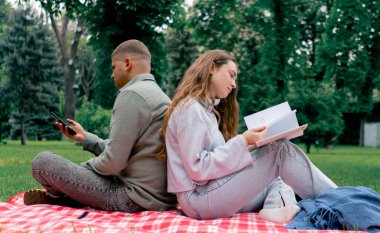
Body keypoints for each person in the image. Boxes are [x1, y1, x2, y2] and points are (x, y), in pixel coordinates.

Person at [158, 49, 337, 222]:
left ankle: (275, 209)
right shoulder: (191, 109)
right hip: (198, 200)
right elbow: (198, 168)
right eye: (231, 74)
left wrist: (250, 146)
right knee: (280, 151)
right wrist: (242, 142)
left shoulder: (206, 111)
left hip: (207, 194)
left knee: (276, 175)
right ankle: (342, 201)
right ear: (212, 68)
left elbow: (214, 159)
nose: (234, 84)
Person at [24, 39, 177, 212]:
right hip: (160, 198)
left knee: (42, 162)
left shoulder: (132, 94)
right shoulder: (161, 97)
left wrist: (81, 170)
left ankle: (67, 197)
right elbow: (125, 151)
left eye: (113, 67)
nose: (112, 74)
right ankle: (69, 198)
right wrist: (86, 138)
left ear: (127, 63)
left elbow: (113, 163)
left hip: (132, 198)